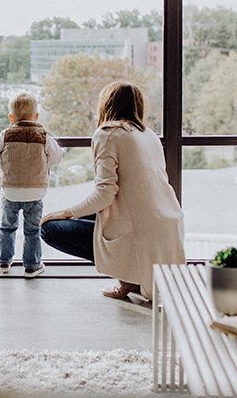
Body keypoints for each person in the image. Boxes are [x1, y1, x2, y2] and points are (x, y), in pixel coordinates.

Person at [40, 81, 184, 300]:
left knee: (50, 228)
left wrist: (64, 212)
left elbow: (105, 193)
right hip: (166, 224)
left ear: (107, 104)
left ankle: (128, 278)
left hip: (140, 229)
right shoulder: (149, 135)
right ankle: (134, 276)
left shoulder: (108, 134)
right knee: (93, 217)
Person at [0, 92, 63, 278]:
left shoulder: (6, 134)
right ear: (36, 117)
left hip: (10, 190)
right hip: (35, 190)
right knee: (32, 230)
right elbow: (57, 157)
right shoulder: (43, 135)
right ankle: (32, 266)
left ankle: (3, 261)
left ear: (11, 118)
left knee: (7, 227)